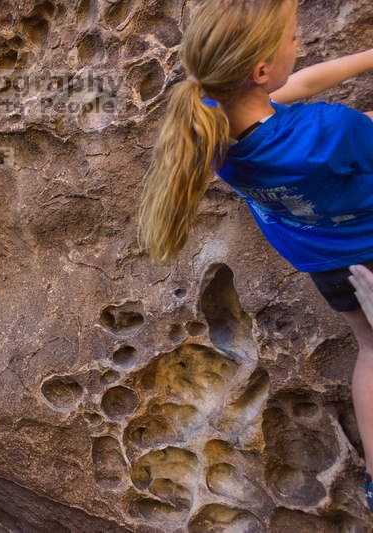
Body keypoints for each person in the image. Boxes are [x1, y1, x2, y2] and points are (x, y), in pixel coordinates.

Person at [136, 0, 373, 509]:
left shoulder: (210, 124)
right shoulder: (330, 130)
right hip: (367, 249)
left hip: (324, 261)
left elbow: (301, 84)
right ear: (261, 70)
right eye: (292, 36)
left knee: (369, 350)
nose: (300, 43)